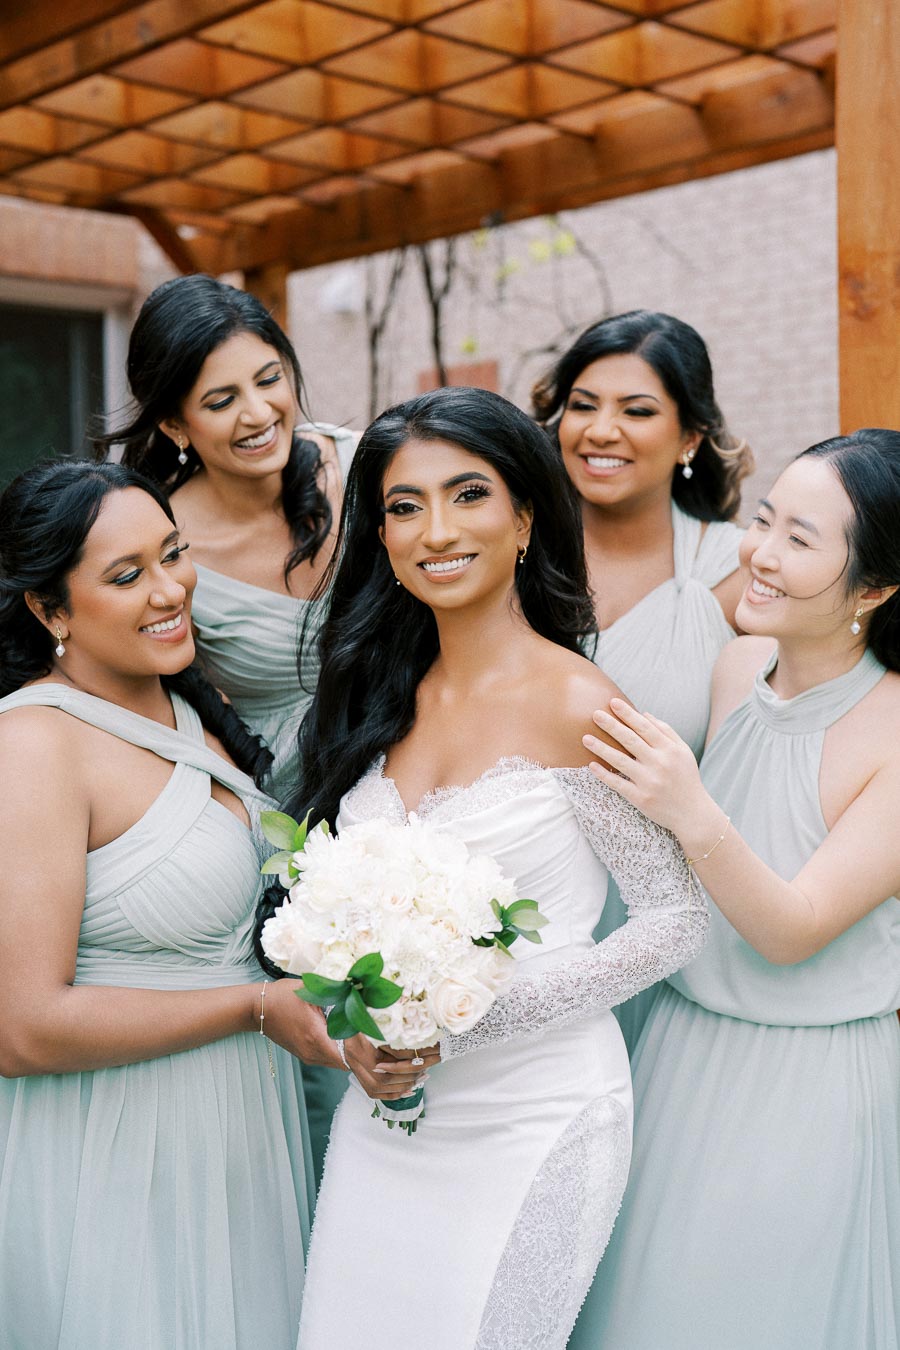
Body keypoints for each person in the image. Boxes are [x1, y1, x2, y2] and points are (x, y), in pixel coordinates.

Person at [278, 386, 709, 1350]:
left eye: (468, 494)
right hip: (388, 1120)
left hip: (537, 1113)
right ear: (382, 537)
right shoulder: (374, 694)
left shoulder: (580, 703)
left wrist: (471, 1022)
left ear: (524, 517)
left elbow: (675, 918)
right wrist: (361, 1036)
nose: (436, 530)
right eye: (404, 506)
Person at [0, 460, 338, 1350]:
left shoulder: (190, 701)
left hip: (240, 1128)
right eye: (126, 576)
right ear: (49, 611)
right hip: (117, 1143)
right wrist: (253, 1006)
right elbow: (21, 1029)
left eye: (174, 554)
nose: (169, 590)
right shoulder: (33, 744)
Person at [575, 429, 900, 1350]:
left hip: (808, 1081)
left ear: (873, 589)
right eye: (765, 520)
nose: (760, 553)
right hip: (678, 1047)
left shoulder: (893, 732)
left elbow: (795, 929)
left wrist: (689, 807)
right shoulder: (735, 668)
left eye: (801, 539)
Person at [97, 273, 354, 1182]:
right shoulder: (165, 545)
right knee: (327, 1058)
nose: (257, 413)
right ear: (175, 423)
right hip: (290, 814)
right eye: (220, 400)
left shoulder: (364, 469)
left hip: (418, 760)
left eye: (269, 379)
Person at [533, 309, 753, 1053]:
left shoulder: (738, 572)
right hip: (520, 911)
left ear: (691, 437)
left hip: (667, 928)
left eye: (637, 411)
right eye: (584, 405)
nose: (602, 431)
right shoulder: (513, 549)